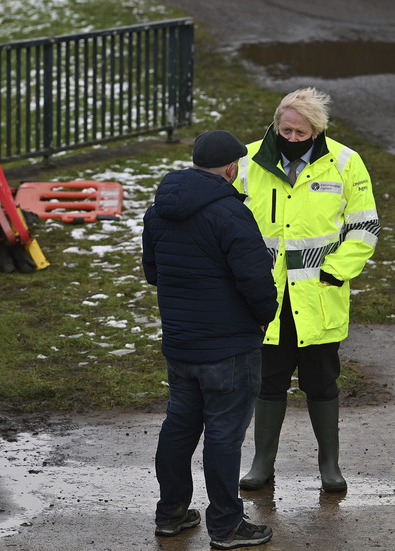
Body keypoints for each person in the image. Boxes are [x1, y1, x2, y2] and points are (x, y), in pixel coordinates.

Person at [235, 88, 381, 493]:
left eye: (302, 132)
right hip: (266, 298)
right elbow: (226, 222)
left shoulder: (346, 163)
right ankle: (262, 463)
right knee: (268, 383)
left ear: (317, 131)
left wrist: (336, 271)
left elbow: (364, 225)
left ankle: (329, 465)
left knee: (321, 383)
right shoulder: (246, 161)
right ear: (276, 124)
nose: (293, 138)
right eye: (286, 130)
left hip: (319, 297)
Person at [143, 130, 278, 549]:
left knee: (180, 426)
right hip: (229, 348)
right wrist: (263, 317)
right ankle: (225, 526)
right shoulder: (230, 212)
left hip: (181, 344)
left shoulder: (158, 209)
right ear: (232, 168)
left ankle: (171, 514)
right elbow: (256, 279)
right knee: (224, 434)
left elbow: (153, 273)